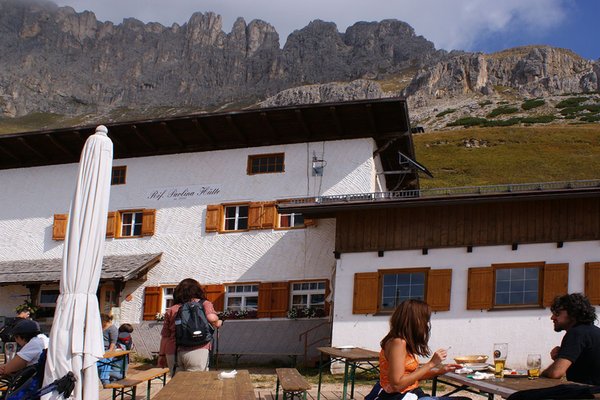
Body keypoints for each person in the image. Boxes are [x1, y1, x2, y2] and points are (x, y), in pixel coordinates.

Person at [365, 299, 467, 400]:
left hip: (409, 394)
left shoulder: (400, 342)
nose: (426, 324)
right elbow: (397, 384)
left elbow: (411, 376)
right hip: (400, 396)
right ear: (415, 320)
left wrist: (440, 371)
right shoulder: (398, 342)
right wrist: (431, 363)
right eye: (425, 319)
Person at [158, 278, 222, 374]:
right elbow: (212, 318)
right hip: (197, 349)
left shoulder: (172, 309)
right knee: (195, 384)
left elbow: (165, 336)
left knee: (176, 384)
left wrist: (161, 355)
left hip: (173, 351)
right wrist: (219, 321)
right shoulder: (204, 304)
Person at [541, 293, 600, 385]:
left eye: (557, 313)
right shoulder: (593, 331)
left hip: (590, 394)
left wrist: (541, 373)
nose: (552, 317)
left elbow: (556, 373)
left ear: (573, 313)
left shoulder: (576, 333)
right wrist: (561, 356)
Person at [97, 313, 118, 387]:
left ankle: (105, 380)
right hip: (99, 349)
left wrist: (109, 351)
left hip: (108, 349)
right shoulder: (100, 327)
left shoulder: (112, 328)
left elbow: (113, 341)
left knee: (105, 361)